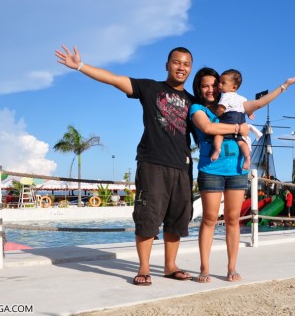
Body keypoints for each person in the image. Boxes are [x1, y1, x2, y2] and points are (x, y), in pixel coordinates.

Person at [55, 45, 195, 286]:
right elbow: (114, 79)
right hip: (153, 164)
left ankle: (171, 267)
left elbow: (216, 120)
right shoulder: (151, 88)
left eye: (186, 64)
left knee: (176, 220)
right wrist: (79, 66)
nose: (181, 67)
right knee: (147, 217)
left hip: (182, 167)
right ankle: (144, 269)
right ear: (167, 65)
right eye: (176, 62)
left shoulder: (193, 102)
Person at [189, 67, 295, 283]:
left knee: (233, 219)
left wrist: (285, 86)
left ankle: (231, 267)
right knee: (210, 219)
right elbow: (208, 128)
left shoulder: (235, 103)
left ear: (223, 86)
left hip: (236, 170)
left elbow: (260, 103)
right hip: (211, 169)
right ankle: (204, 268)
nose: (210, 89)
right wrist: (239, 127)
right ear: (198, 88)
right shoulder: (197, 108)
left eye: (214, 85)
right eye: (204, 86)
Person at [211, 69, 252, 170]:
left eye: (223, 83)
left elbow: (221, 108)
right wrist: (250, 114)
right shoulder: (243, 98)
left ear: (234, 87)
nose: (219, 85)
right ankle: (247, 157)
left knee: (219, 134)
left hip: (229, 119)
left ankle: (217, 149)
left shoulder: (226, 96)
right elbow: (246, 108)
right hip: (241, 120)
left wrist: (217, 114)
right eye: (219, 82)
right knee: (242, 142)